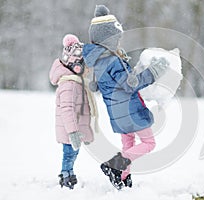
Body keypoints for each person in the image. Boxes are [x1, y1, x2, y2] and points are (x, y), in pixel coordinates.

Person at [82, 5, 169, 190]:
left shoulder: (98, 61)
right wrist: (154, 72)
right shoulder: (113, 60)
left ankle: (122, 178)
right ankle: (115, 165)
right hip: (130, 110)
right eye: (117, 38)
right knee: (149, 143)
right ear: (109, 38)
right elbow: (131, 84)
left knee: (128, 144)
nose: (119, 42)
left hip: (116, 112)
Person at [49, 34, 96, 189]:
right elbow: (67, 110)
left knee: (72, 153)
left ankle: (68, 172)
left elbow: (80, 109)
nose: (88, 71)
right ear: (77, 66)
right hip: (69, 130)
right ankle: (66, 174)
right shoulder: (69, 84)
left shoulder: (77, 82)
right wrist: (73, 132)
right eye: (86, 67)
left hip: (73, 128)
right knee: (69, 153)